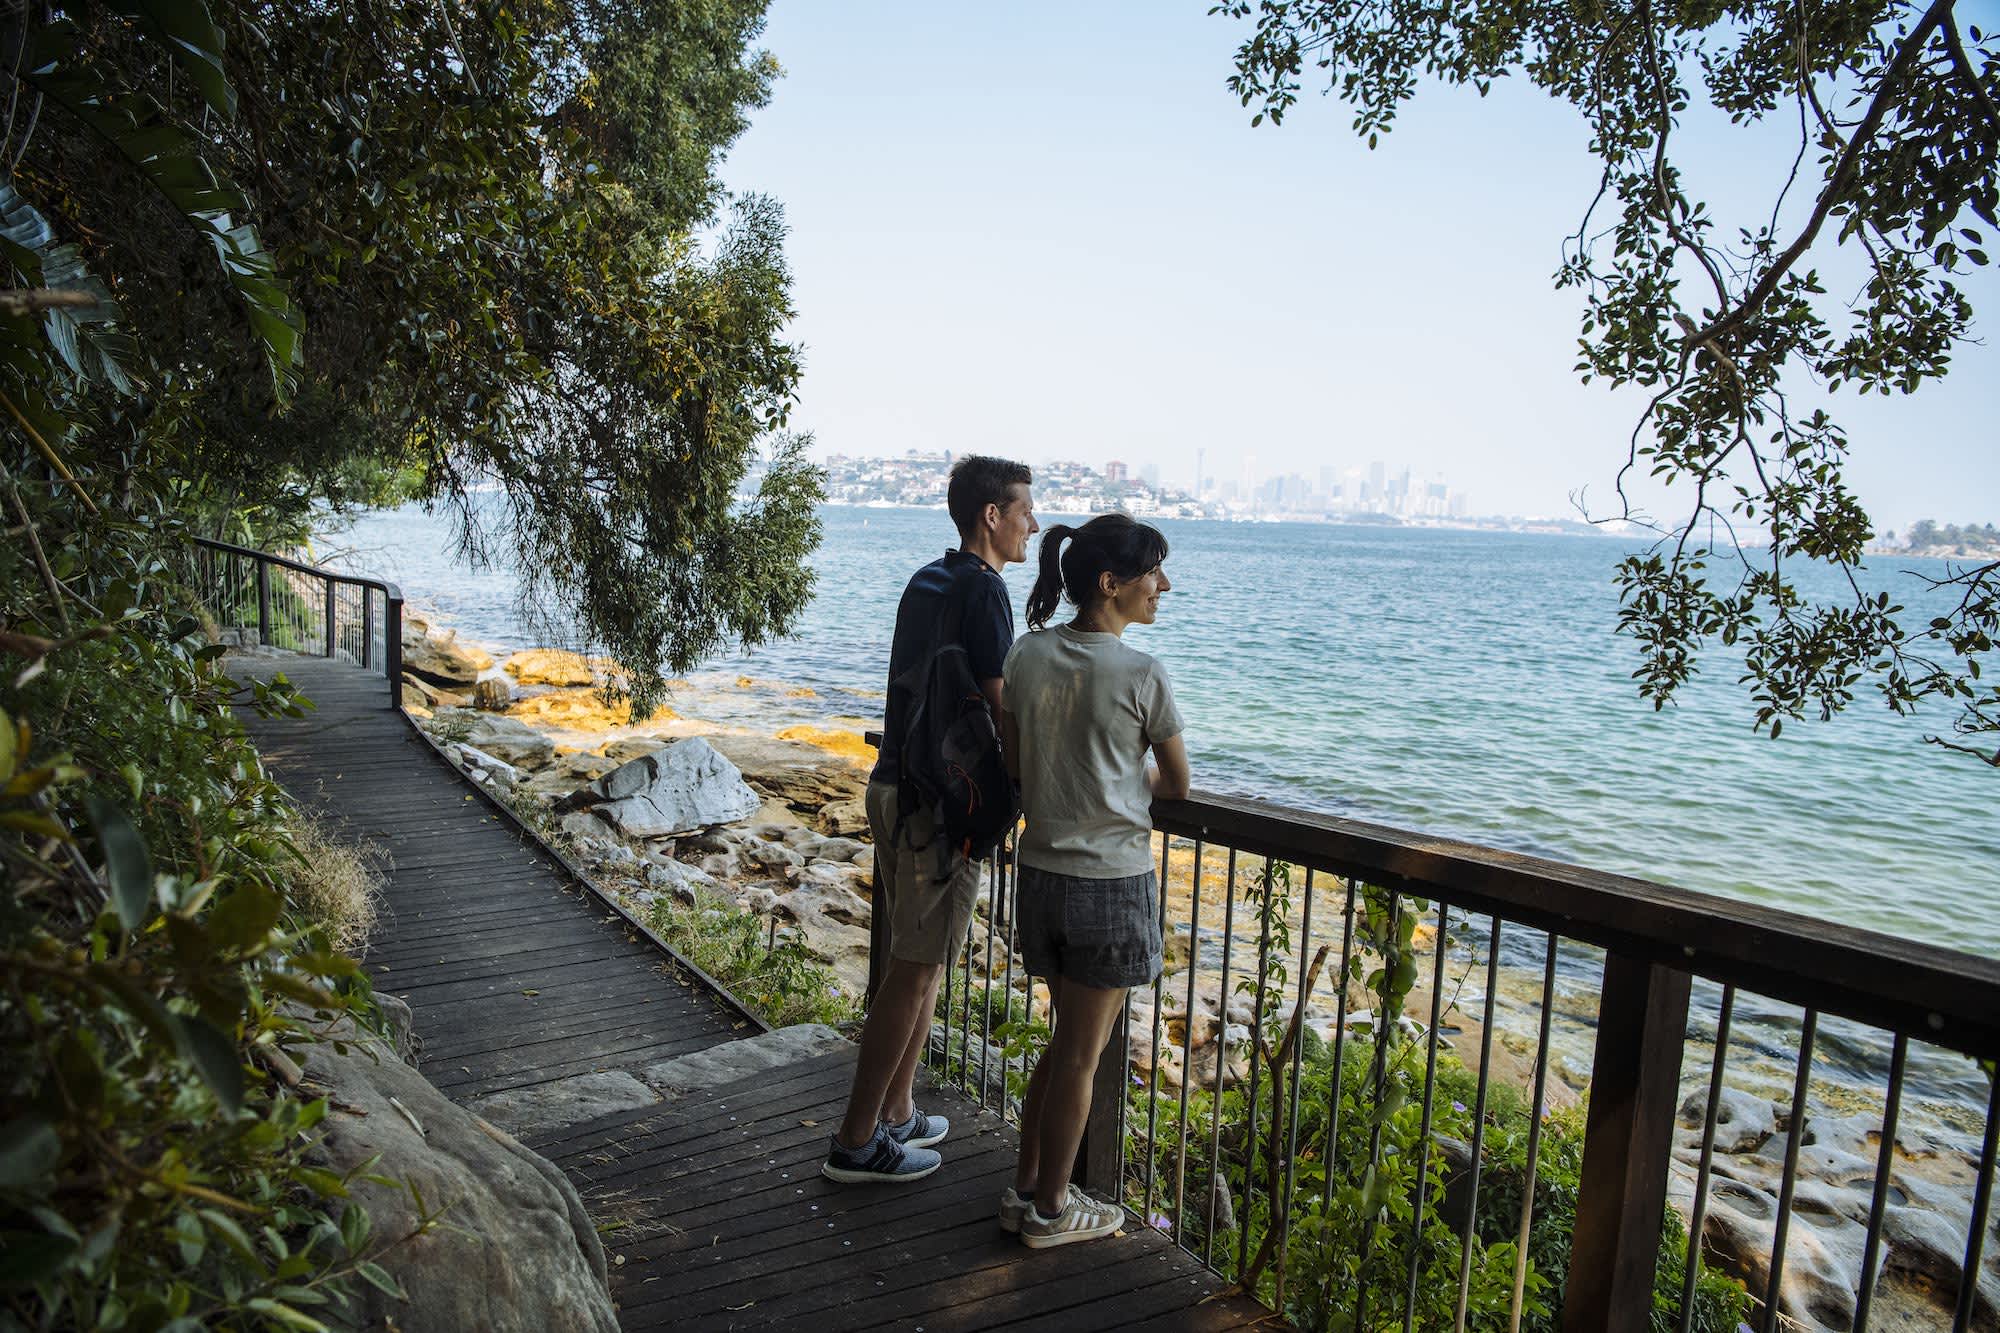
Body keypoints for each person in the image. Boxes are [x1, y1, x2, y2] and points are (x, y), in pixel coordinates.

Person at [821, 455, 1039, 1184]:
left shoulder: (928, 578)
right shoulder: (986, 593)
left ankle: (898, 1110)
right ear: (992, 516)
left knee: (923, 960)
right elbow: (1001, 709)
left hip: (893, 787)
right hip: (941, 815)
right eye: (1023, 511)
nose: (1031, 525)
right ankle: (857, 1140)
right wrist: (1033, 788)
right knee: (914, 971)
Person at [997, 513, 1189, 1247]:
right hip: (1109, 883)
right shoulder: (1142, 673)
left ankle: (1026, 1189)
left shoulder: (1027, 656)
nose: (1163, 586)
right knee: (1082, 1051)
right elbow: (1177, 784)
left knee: (1062, 1043)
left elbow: (1018, 765)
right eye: (1152, 573)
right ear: (1111, 584)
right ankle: (1051, 1210)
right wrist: (1121, 770)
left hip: (1041, 873)